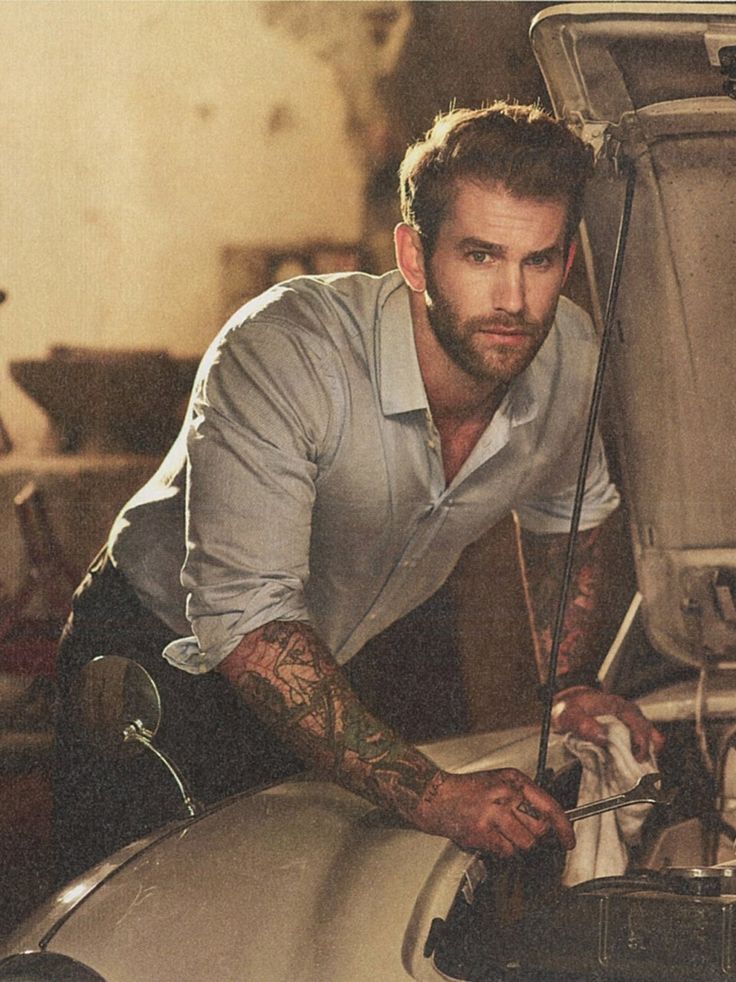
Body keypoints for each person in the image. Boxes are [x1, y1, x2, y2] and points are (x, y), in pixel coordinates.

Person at [54, 102, 663, 883]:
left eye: (538, 260)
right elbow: (251, 623)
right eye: (480, 256)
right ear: (413, 257)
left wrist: (570, 685)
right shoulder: (285, 350)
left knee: (291, 916)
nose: (513, 299)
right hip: (158, 657)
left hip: (324, 662)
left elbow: (566, 522)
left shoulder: (569, 355)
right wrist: (433, 793)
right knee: (138, 917)